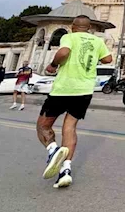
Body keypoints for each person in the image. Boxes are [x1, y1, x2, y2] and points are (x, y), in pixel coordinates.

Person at [37, 16, 113, 189]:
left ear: (73, 27)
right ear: (89, 28)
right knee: (70, 128)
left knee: (43, 126)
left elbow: (63, 52)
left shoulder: (69, 37)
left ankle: (53, 151)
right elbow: (108, 59)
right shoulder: (97, 40)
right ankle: (65, 171)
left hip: (65, 88)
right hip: (85, 91)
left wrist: (53, 64)